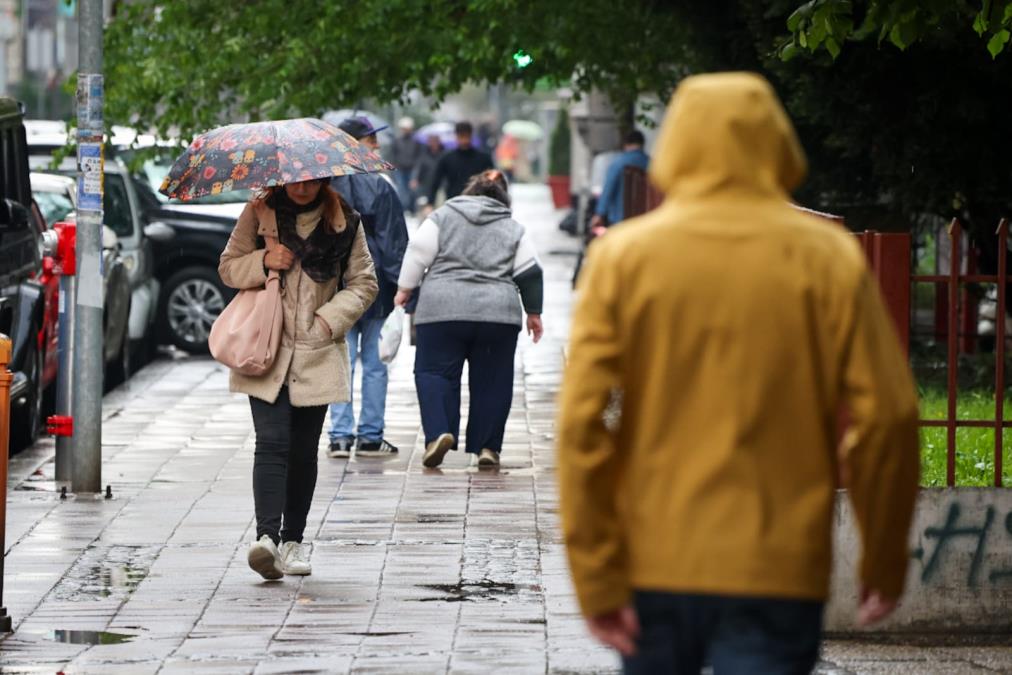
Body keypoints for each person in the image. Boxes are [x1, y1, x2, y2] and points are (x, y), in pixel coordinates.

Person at [557, 72, 920, 673]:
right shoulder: (825, 256)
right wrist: (882, 556)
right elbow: (889, 414)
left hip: (656, 556)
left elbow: (580, 424)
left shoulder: (624, 258)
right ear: (774, 141)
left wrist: (597, 575)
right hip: (778, 565)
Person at [219, 178, 378, 580]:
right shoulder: (260, 214)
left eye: (312, 182)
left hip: (316, 350)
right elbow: (228, 267)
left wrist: (328, 321)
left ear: (324, 181)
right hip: (265, 346)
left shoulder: (345, 223)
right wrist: (263, 262)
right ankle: (267, 539)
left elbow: (364, 283)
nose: (303, 188)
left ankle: (293, 541)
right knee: (271, 442)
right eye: (296, 181)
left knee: (304, 450)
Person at [395, 170, 544, 469]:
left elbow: (418, 252)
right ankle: (488, 447)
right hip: (497, 315)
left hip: (441, 310)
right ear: (502, 201)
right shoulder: (512, 227)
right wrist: (533, 312)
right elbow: (529, 272)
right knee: (493, 381)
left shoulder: (442, 217)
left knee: (434, 373)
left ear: (468, 194)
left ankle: (439, 432)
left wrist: (404, 288)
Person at [326, 116, 409, 458]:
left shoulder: (324, 186)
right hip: (374, 288)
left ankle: (340, 435)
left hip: (334, 289)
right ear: (355, 143)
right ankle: (371, 436)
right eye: (371, 140)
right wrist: (402, 286)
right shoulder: (381, 186)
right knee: (375, 365)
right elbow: (393, 243)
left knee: (340, 363)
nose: (376, 146)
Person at [589, 130, 649, 235]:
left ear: (626, 144)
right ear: (642, 144)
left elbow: (608, 189)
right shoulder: (651, 164)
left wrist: (599, 214)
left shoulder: (618, 163)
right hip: (646, 221)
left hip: (620, 219)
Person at [424, 121, 495, 209]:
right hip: (454, 203)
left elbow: (493, 182)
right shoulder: (447, 158)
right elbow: (435, 181)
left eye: (466, 136)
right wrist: (430, 203)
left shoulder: (484, 158)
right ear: (456, 136)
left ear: (471, 136)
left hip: (478, 204)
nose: (464, 140)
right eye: (461, 136)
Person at [391, 116, 423, 212]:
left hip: (412, 169)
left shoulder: (416, 142)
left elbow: (419, 157)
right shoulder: (397, 141)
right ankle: (403, 210)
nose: (405, 130)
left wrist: (416, 174)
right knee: (401, 191)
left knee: (412, 191)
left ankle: (412, 210)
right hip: (400, 170)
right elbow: (393, 155)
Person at [412, 135, 444, 210]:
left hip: (440, 185)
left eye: (435, 142)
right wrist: (415, 179)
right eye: (431, 142)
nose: (433, 144)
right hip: (426, 184)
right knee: (425, 205)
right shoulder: (424, 154)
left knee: (439, 205)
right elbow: (419, 168)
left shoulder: (443, 155)